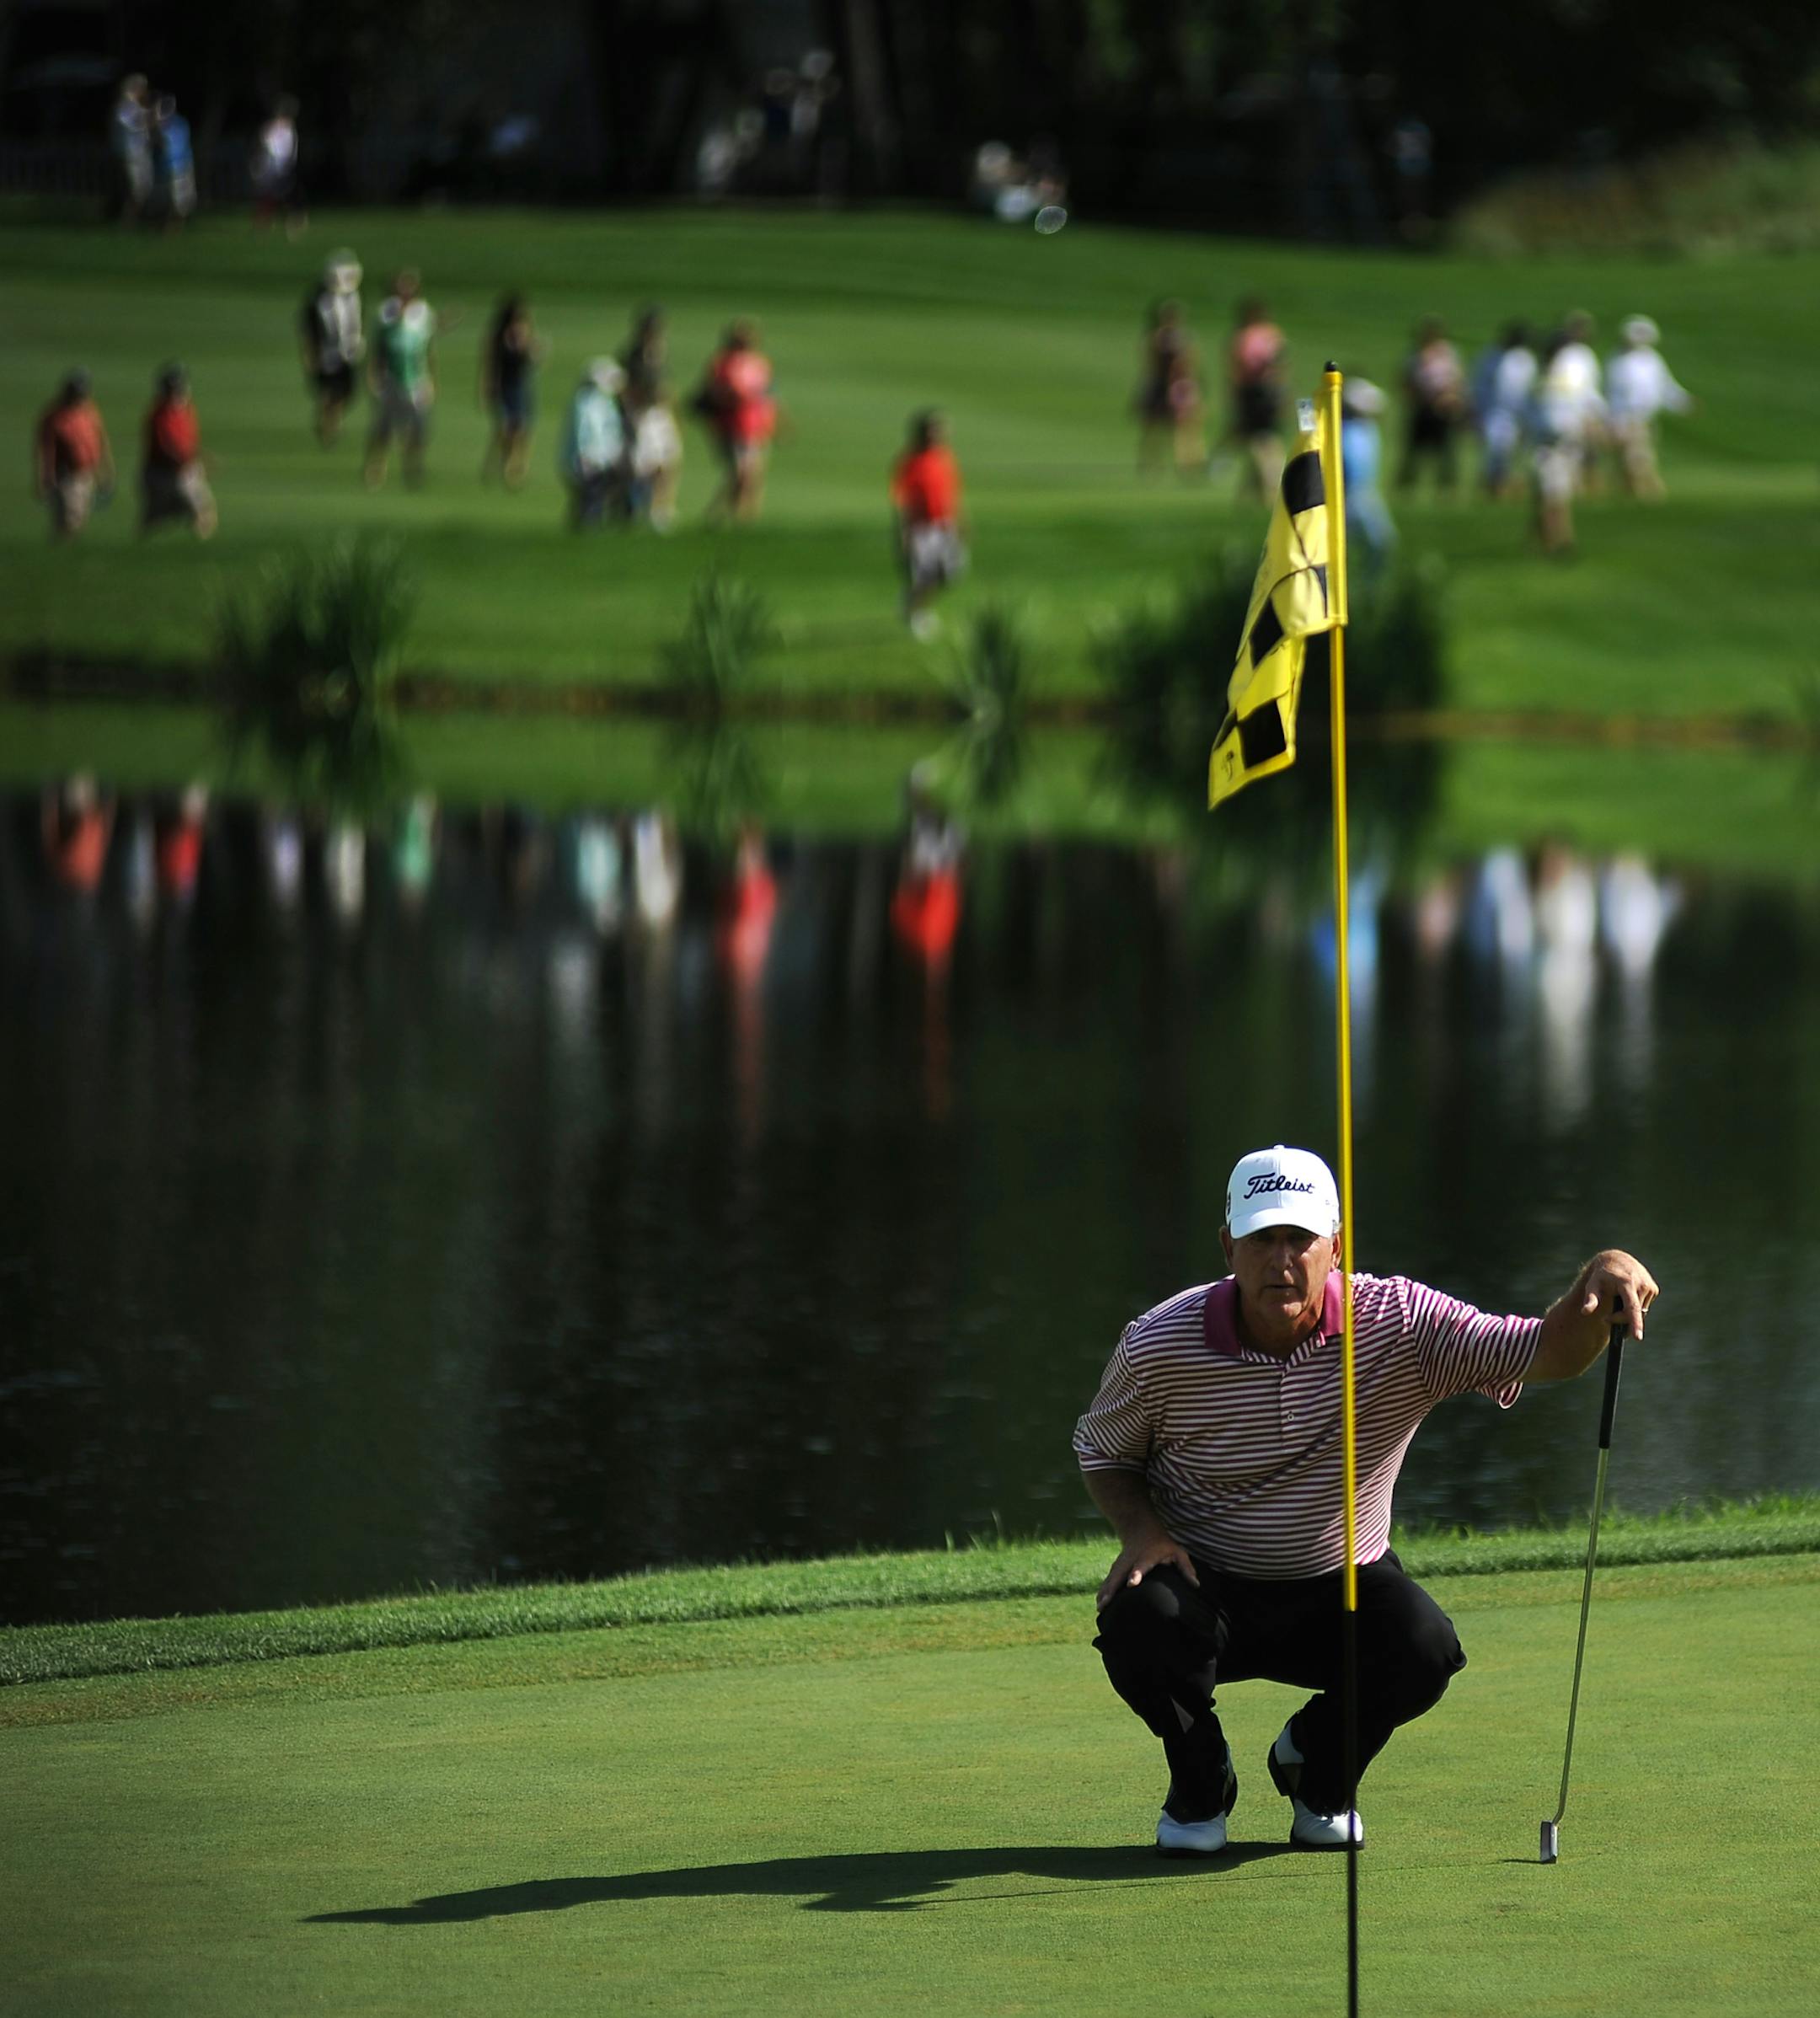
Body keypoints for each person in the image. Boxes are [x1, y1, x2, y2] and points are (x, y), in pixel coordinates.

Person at [1077, 1143, 1657, 1856]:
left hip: (1342, 1585)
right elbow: (1103, 1450)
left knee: (1424, 1646)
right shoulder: (1162, 1343)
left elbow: (1544, 1352)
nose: (1281, 1259)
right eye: (1262, 1238)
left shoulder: (1402, 1323)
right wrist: (1141, 1530)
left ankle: (1318, 1772)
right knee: (1138, 1618)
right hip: (1206, 1588)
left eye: (1300, 1238)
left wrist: (1598, 1284)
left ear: (1336, 1247)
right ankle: (1201, 1777)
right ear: (1229, 1245)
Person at [1526, 329, 1608, 559]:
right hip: (1546, 445)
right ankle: (1561, 541)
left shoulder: (1566, 376)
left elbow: (1585, 402)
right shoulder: (1539, 377)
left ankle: (1545, 539)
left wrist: (1591, 427)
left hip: (1567, 443)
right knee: (1554, 496)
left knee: (1554, 495)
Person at [890, 409, 966, 639]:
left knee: (950, 573)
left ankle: (913, 601)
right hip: (921, 527)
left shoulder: (945, 457)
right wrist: (904, 531)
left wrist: (961, 520)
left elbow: (952, 493)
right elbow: (902, 500)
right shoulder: (910, 462)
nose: (938, 435)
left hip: (945, 525)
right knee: (924, 574)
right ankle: (917, 613)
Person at [693, 320, 779, 522]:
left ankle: (745, 517)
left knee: (753, 475)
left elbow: (769, 396)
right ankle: (722, 515)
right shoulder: (723, 364)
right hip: (731, 426)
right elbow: (713, 393)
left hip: (754, 426)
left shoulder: (759, 363)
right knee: (741, 473)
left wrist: (774, 421)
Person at [1605, 316, 1694, 501]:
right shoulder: (1618, 360)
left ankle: (1638, 494)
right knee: (1636, 459)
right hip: (1626, 417)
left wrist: (1683, 402)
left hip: (1645, 417)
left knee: (1637, 458)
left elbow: (1664, 386)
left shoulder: (1652, 359)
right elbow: (1613, 392)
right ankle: (1648, 493)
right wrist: (1615, 419)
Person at [365, 270, 439, 490]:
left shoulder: (423, 312)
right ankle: (376, 468)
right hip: (391, 378)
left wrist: (432, 379)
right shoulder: (386, 313)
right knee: (385, 428)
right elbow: (378, 347)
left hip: (416, 379)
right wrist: (372, 375)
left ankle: (412, 467)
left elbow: (429, 348)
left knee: (419, 429)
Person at [33, 370, 114, 539]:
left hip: (86, 475)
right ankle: (60, 552)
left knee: (78, 520)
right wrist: (44, 478)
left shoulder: (89, 411)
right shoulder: (54, 417)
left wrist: (105, 471)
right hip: (66, 476)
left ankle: (62, 553)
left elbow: (100, 442)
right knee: (69, 521)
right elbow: (46, 450)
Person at [139, 364, 217, 539]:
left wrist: (199, 458)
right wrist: (191, 461)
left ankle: (198, 549)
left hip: (180, 471)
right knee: (157, 520)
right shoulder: (160, 415)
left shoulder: (185, 410)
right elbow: (168, 448)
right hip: (166, 474)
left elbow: (187, 442)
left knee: (202, 513)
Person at [1225, 297, 1287, 502]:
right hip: (1266, 392)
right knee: (1263, 440)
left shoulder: (1245, 337)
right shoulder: (1272, 334)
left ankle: (1270, 489)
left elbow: (1237, 368)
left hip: (1255, 392)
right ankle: (1252, 493)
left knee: (1260, 441)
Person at [300, 250, 364, 446]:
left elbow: (356, 323)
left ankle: (331, 420)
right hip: (328, 355)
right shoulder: (319, 301)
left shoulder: (354, 297)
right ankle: (329, 425)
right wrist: (310, 355)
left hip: (349, 354)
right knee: (329, 391)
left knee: (346, 393)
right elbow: (310, 331)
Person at [479, 293, 543, 489]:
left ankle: (517, 467)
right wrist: (487, 388)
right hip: (505, 386)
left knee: (523, 429)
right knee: (507, 429)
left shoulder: (525, 333)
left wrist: (531, 348)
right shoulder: (498, 337)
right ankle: (497, 462)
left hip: (522, 385)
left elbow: (535, 359)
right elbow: (490, 364)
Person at [1398, 315, 1466, 495]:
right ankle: (1407, 483)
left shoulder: (1448, 354)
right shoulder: (1415, 356)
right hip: (1423, 406)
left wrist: (1450, 397)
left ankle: (1447, 485)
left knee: (1446, 449)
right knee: (1414, 449)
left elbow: (1456, 379)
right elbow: (1406, 381)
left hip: (1444, 407)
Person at [1134, 301, 1203, 476]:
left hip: (1175, 386)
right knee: (1156, 427)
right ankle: (1153, 464)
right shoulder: (1161, 338)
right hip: (1165, 385)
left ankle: (1186, 463)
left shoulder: (1166, 338)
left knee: (1182, 427)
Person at [558, 359, 629, 528]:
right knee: (589, 498)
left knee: (599, 496)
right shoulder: (583, 402)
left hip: (601, 458)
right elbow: (582, 432)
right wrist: (584, 456)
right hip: (588, 459)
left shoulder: (602, 401)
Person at [1470, 321, 1537, 500]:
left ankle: (1511, 487)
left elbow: (1528, 388)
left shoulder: (1525, 358)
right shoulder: (1491, 356)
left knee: (1518, 454)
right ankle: (1493, 488)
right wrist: (1479, 411)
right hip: (1495, 412)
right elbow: (1481, 386)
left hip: (1520, 413)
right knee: (1497, 451)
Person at [1339, 380, 1394, 580]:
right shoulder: (1343, 429)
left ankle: (1366, 585)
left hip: (1365, 493)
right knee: (1340, 548)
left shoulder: (1367, 428)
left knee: (1381, 544)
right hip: (1349, 496)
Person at [250, 97, 304, 237]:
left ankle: (295, 220)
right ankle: (264, 221)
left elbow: (290, 150)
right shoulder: (271, 128)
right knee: (268, 195)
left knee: (287, 195)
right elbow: (265, 147)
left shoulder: (289, 130)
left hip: (283, 168)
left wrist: (287, 164)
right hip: (269, 168)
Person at [108, 76, 153, 224]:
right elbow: (136, 124)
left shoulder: (136, 107)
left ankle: (132, 218)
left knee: (142, 187)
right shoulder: (124, 107)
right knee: (136, 189)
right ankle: (127, 220)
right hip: (130, 155)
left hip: (140, 154)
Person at [152, 95, 195, 229]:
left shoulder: (179, 123)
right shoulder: (160, 126)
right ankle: (171, 224)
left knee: (183, 197)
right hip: (169, 166)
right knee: (172, 197)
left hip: (181, 164)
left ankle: (176, 224)